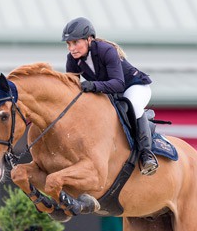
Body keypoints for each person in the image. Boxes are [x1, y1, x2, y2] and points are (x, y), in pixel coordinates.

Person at [61, 17, 159, 176]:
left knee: (132, 106)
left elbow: (119, 84)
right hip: (111, 92)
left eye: (75, 42)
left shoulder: (106, 50)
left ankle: (146, 155)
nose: (72, 48)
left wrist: (94, 86)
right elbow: (72, 88)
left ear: (89, 39)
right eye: (68, 44)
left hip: (134, 86)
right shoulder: (72, 60)